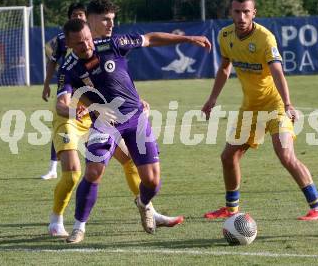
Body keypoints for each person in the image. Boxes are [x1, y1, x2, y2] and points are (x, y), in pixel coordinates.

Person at [58, 16, 211, 243]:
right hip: (105, 122)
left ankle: (143, 203)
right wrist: (73, 112)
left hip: (135, 119)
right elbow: (61, 104)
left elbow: (150, 39)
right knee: (93, 172)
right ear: (69, 44)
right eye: (79, 43)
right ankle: (79, 227)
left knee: (152, 181)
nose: (86, 45)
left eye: (88, 39)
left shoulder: (112, 45)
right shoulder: (69, 68)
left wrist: (187, 38)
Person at [201, 0, 318, 221]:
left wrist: (289, 104)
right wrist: (212, 99)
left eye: (246, 12)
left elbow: (277, 71)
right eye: (237, 12)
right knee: (228, 157)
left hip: (275, 106)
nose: (241, 17)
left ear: (254, 13)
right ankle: (231, 210)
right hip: (250, 109)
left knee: (286, 155)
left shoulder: (265, 38)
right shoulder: (225, 35)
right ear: (230, 12)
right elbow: (224, 68)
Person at [41, 2, 87, 180]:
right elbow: (53, 61)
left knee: (97, 121)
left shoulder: (92, 37)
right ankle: (53, 168)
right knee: (62, 123)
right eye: (74, 14)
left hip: (89, 86)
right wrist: (46, 85)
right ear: (69, 18)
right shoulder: (62, 39)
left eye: (81, 14)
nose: (78, 17)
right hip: (68, 86)